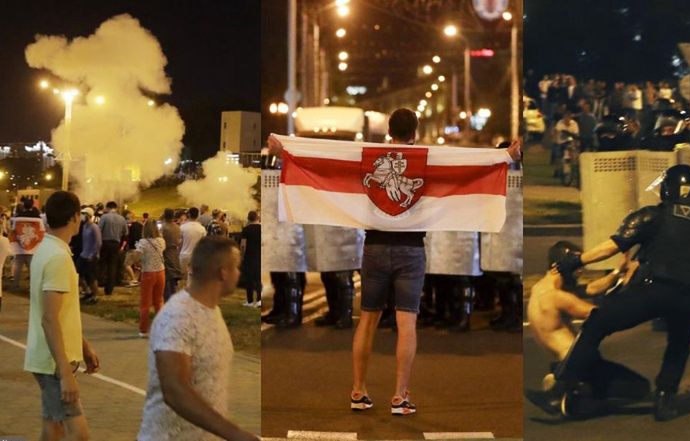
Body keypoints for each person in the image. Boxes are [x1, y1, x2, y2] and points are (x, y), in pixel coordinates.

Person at [267, 107, 521, 416]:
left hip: (373, 248)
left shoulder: (369, 156)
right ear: (415, 134)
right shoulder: (428, 159)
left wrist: (286, 149)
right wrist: (506, 156)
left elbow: (326, 163)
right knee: (407, 323)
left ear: (389, 133)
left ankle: (358, 391)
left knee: (368, 320)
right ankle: (400, 396)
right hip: (411, 251)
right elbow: (467, 167)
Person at [527, 165, 690, 421]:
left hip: (654, 289)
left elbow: (613, 246)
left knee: (597, 323)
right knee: (679, 345)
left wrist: (577, 261)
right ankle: (665, 401)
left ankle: (559, 389)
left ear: (670, 189)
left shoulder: (656, 214)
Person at [137, 236, 258, 440]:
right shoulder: (179, 315)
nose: (239, 273)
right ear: (223, 272)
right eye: (236, 267)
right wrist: (236, 434)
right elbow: (175, 389)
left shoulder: (211, 310)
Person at [528, 242, 649, 415]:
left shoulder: (540, 289)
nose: (580, 270)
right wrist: (628, 286)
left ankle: (564, 382)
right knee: (641, 388)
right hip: (581, 364)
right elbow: (601, 315)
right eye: (576, 265)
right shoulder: (557, 297)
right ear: (558, 266)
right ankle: (575, 398)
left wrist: (617, 272)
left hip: (565, 361)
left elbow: (590, 288)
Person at [23, 191, 100, 441]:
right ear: (75, 216)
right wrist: (66, 372)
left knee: (52, 427)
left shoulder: (47, 249)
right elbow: (49, 317)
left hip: (49, 356)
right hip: (54, 361)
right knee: (79, 434)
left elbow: (64, 313)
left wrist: (84, 346)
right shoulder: (57, 257)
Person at [136, 219, 166, 338]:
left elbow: (138, 256)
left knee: (145, 303)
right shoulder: (161, 241)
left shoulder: (143, 243)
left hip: (148, 273)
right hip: (161, 272)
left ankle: (144, 330)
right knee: (159, 301)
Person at [97, 201, 128, 296]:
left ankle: (100, 283)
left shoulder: (104, 217)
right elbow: (125, 233)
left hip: (105, 243)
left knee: (102, 264)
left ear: (108, 207)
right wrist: (121, 245)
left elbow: (99, 230)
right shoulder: (122, 219)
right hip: (116, 244)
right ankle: (109, 289)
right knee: (112, 266)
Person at [77, 207, 101, 306]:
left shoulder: (94, 227)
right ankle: (87, 291)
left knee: (91, 277)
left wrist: (93, 254)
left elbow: (98, 242)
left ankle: (95, 295)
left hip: (91, 256)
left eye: (84, 214)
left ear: (89, 216)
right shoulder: (84, 226)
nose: (82, 216)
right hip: (83, 254)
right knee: (78, 274)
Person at [180, 207, 207, 287]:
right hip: (196, 256)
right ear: (198, 215)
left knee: (185, 280)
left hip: (184, 255)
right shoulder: (202, 229)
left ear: (188, 214)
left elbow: (180, 243)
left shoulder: (183, 227)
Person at [240, 210, 262, 308]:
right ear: (258, 218)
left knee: (249, 279)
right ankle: (259, 300)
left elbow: (243, 245)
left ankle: (249, 301)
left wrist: (241, 255)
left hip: (249, 256)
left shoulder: (246, 229)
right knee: (258, 279)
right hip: (260, 256)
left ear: (248, 218)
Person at [160, 208, 183, 302]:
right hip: (174, 252)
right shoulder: (177, 227)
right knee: (173, 276)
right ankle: (174, 295)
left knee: (167, 277)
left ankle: (168, 298)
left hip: (166, 252)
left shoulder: (163, 228)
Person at [123, 211, 143, 287]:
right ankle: (139, 279)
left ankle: (133, 279)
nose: (126, 220)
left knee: (126, 265)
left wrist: (128, 247)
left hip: (133, 248)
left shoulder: (131, 227)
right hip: (140, 248)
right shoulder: (140, 226)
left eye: (127, 218)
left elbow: (131, 238)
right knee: (139, 265)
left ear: (131, 218)